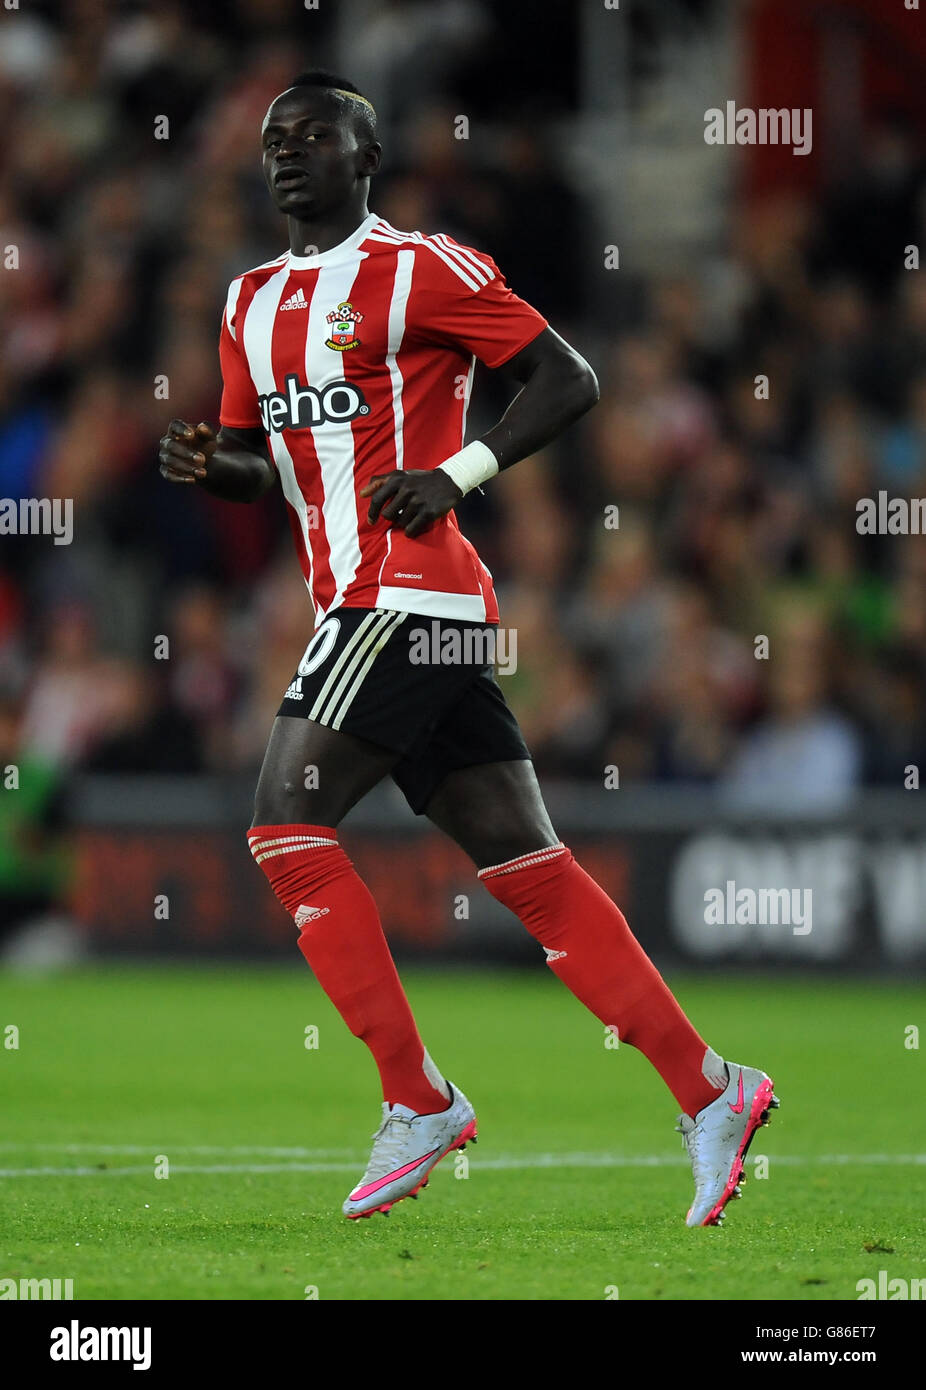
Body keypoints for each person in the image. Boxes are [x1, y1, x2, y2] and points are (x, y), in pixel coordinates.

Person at [158, 70, 777, 1225]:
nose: (287, 151)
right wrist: (212, 465)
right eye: (274, 138)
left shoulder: (420, 267)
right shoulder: (248, 301)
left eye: (315, 134)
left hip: (403, 593)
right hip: (381, 608)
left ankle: (417, 1097)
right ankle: (711, 1088)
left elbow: (567, 378)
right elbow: (267, 464)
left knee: (284, 822)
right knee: (528, 865)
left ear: (366, 155)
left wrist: (458, 471)